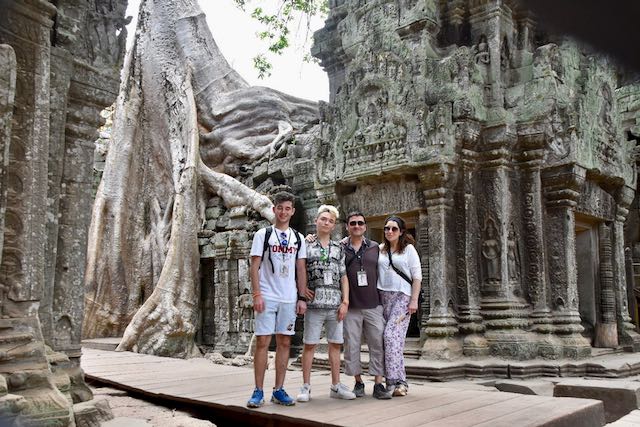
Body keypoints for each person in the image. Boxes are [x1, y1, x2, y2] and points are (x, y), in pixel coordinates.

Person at [246, 191, 309, 408]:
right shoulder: (263, 235)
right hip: (267, 294)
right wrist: (256, 294)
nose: (283, 212)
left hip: (289, 297)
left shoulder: (298, 239)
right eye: (280, 208)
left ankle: (279, 389)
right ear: (274, 209)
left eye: (287, 208)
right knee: (263, 341)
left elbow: (300, 269)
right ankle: (258, 390)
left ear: (293, 211)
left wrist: (302, 297)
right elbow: (254, 266)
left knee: (285, 342)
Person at [297, 205, 355, 402]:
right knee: (310, 345)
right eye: (323, 219)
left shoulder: (338, 248)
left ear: (333, 226)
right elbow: (300, 269)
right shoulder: (306, 244)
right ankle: (305, 386)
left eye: (330, 221)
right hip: (314, 305)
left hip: (334, 305)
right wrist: (301, 291)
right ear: (316, 221)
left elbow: (343, 276)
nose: (326, 223)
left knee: (335, 345)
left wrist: (345, 301)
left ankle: (336, 385)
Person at [341, 212, 392, 399]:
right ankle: (358, 382)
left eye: (360, 223)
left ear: (365, 226)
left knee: (377, 343)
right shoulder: (340, 248)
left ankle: (378, 384)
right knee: (351, 345)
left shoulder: (375, 248)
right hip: (351, 305)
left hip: (373, 304)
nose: (356, 226)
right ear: (347, 226)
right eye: (352, 223)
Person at [378, 215, 422, 397]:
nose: (390, 232)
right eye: (387, 228)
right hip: (382, 296)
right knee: (391, 340)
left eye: (394, 229)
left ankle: (395, 381)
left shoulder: (408, 249)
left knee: (390, 336)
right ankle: (398, 382)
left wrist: (414, 300)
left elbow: (417, 276)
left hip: (403, 297)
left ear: (401, 231)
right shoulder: (379, 249)